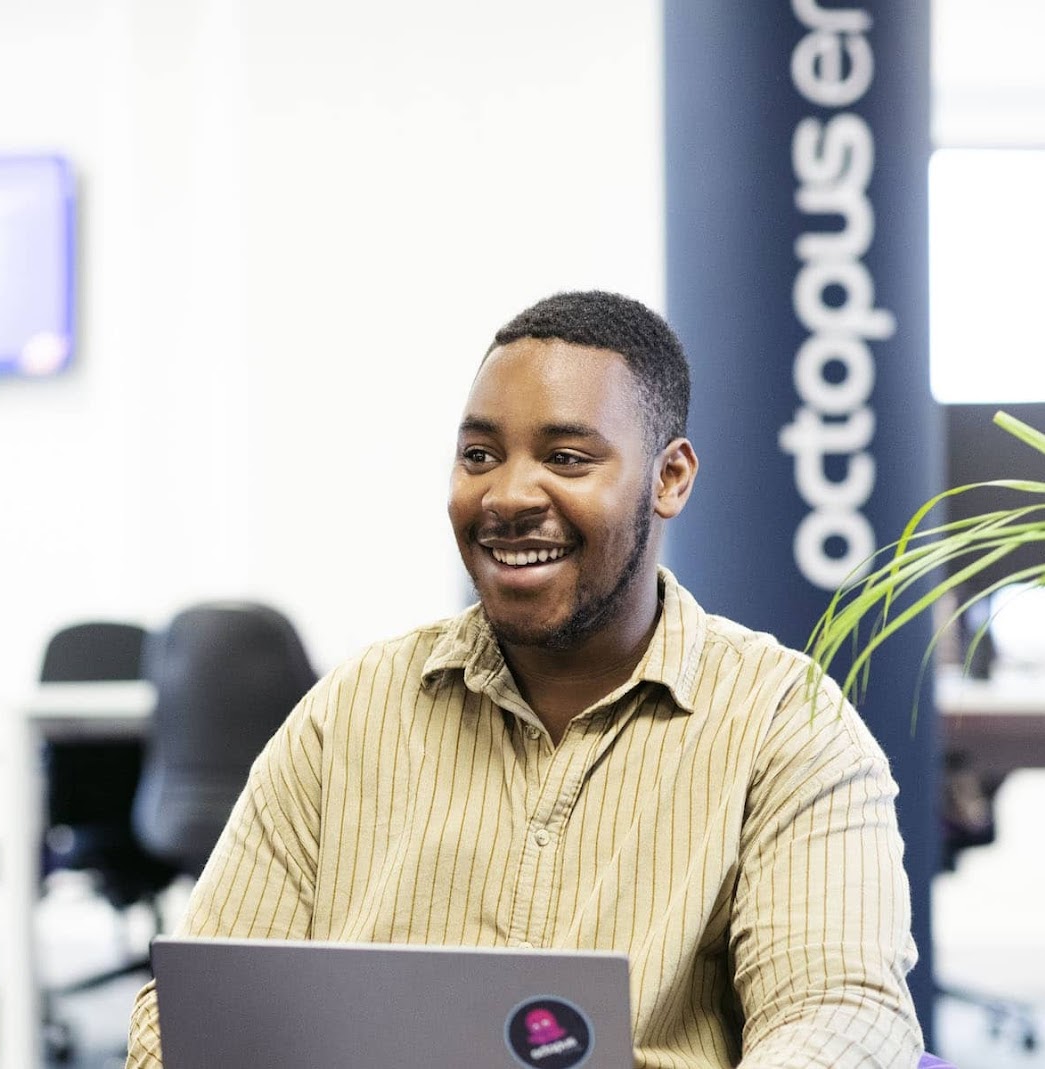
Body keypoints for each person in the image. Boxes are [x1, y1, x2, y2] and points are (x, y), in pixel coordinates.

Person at [126, 290, 923, 1068]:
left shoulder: (785, 724)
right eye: (479, 454)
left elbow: (840, 1017)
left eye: (566, 457)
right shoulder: (351, 709)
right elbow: (192, 1008)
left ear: (669, 478)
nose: (506, 495)